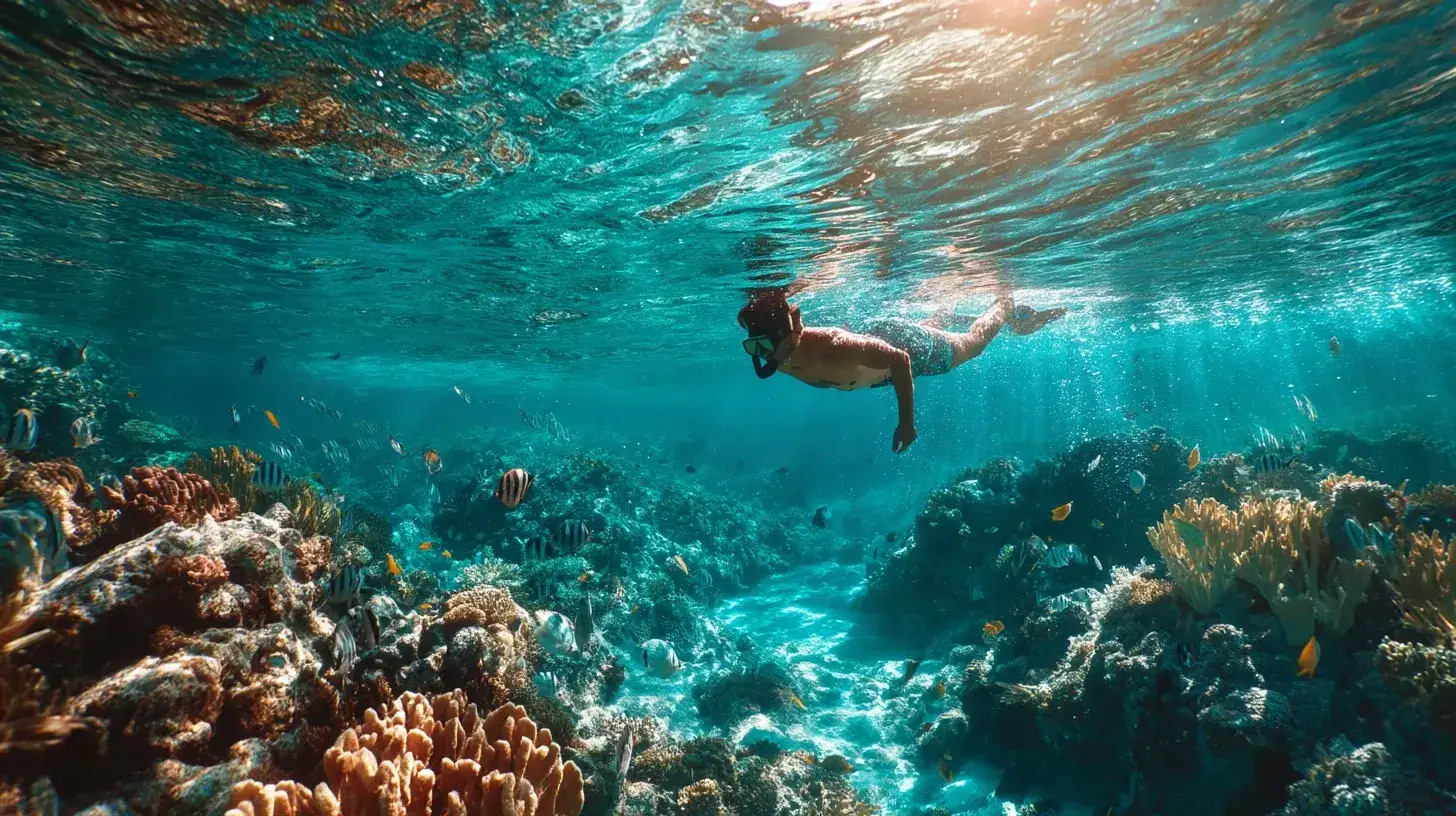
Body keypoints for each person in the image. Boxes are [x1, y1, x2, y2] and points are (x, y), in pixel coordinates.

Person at [736, 288, 1065, 453]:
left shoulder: (834, 346)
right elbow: (753, 320)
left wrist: (907, 424)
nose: (761, 357)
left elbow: (899, 360)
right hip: (875, 345)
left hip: (907, 350)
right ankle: (942, 313)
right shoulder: (776, 350)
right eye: (753, 347)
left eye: (763, 346)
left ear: (785, 336)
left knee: (971, 346)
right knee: (925, 332)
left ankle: (1004, 306)